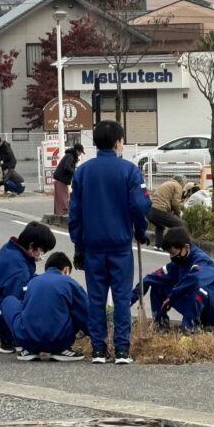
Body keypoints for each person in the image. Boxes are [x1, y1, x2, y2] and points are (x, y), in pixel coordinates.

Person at [69, 120, 151, 365]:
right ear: (118, 142)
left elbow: (75, 213)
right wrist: (141, 229)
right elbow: (140, 204)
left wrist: (79, 244)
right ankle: (123, 350)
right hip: (120, 245)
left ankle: (98, 349)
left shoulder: (82, 172)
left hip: (93, 245)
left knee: (96, 298)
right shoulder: (129, 170)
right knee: (122, 297)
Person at [0, 221, 56, 353]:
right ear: (32, 246)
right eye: (42, 250)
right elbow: (16, 300)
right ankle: (7, 335)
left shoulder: (12, 249)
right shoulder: (19, 268)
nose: (42, 254)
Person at [132, 227, 214, 333]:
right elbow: (153, 277)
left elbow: (195, 280)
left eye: (173, 253)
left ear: (186, 247)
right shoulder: (179, 263)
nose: (171, 257)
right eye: (169, 253)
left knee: (197, 290)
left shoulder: (203, 261)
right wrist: (132, 297)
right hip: (192, 305)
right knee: (157, 285)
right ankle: (160, 327)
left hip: (213, 310)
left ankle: (188, 331)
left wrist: (172, 296)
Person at [1, 252, 88, 362]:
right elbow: (85, 312)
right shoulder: (69, 282)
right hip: (59, 341)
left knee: (9, 301)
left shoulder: (33, 282)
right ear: (66, 270)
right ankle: (61, 350)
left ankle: (28, 350)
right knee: (78, 305)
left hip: (28, 340)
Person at [146, 175, 186, 249]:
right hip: (160, 210)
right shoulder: (177, 186)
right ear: (181, 182)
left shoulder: (166, 184)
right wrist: (179, 213)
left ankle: (158, 245)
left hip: (150, 211)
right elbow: (175, 203)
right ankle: (176, 246)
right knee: (179, 224)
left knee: (160, 226)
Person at [53, 144, 84, 215]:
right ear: (77, 151)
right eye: (80, 152)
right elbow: (67, 166)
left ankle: (59, 213)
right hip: (62, 179)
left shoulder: (69, 155)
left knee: (60, 198)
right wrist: (74, 172)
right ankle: (65, 213)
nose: (80, 154)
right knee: (64, 197)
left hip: (59, 179)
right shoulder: (71, 156)